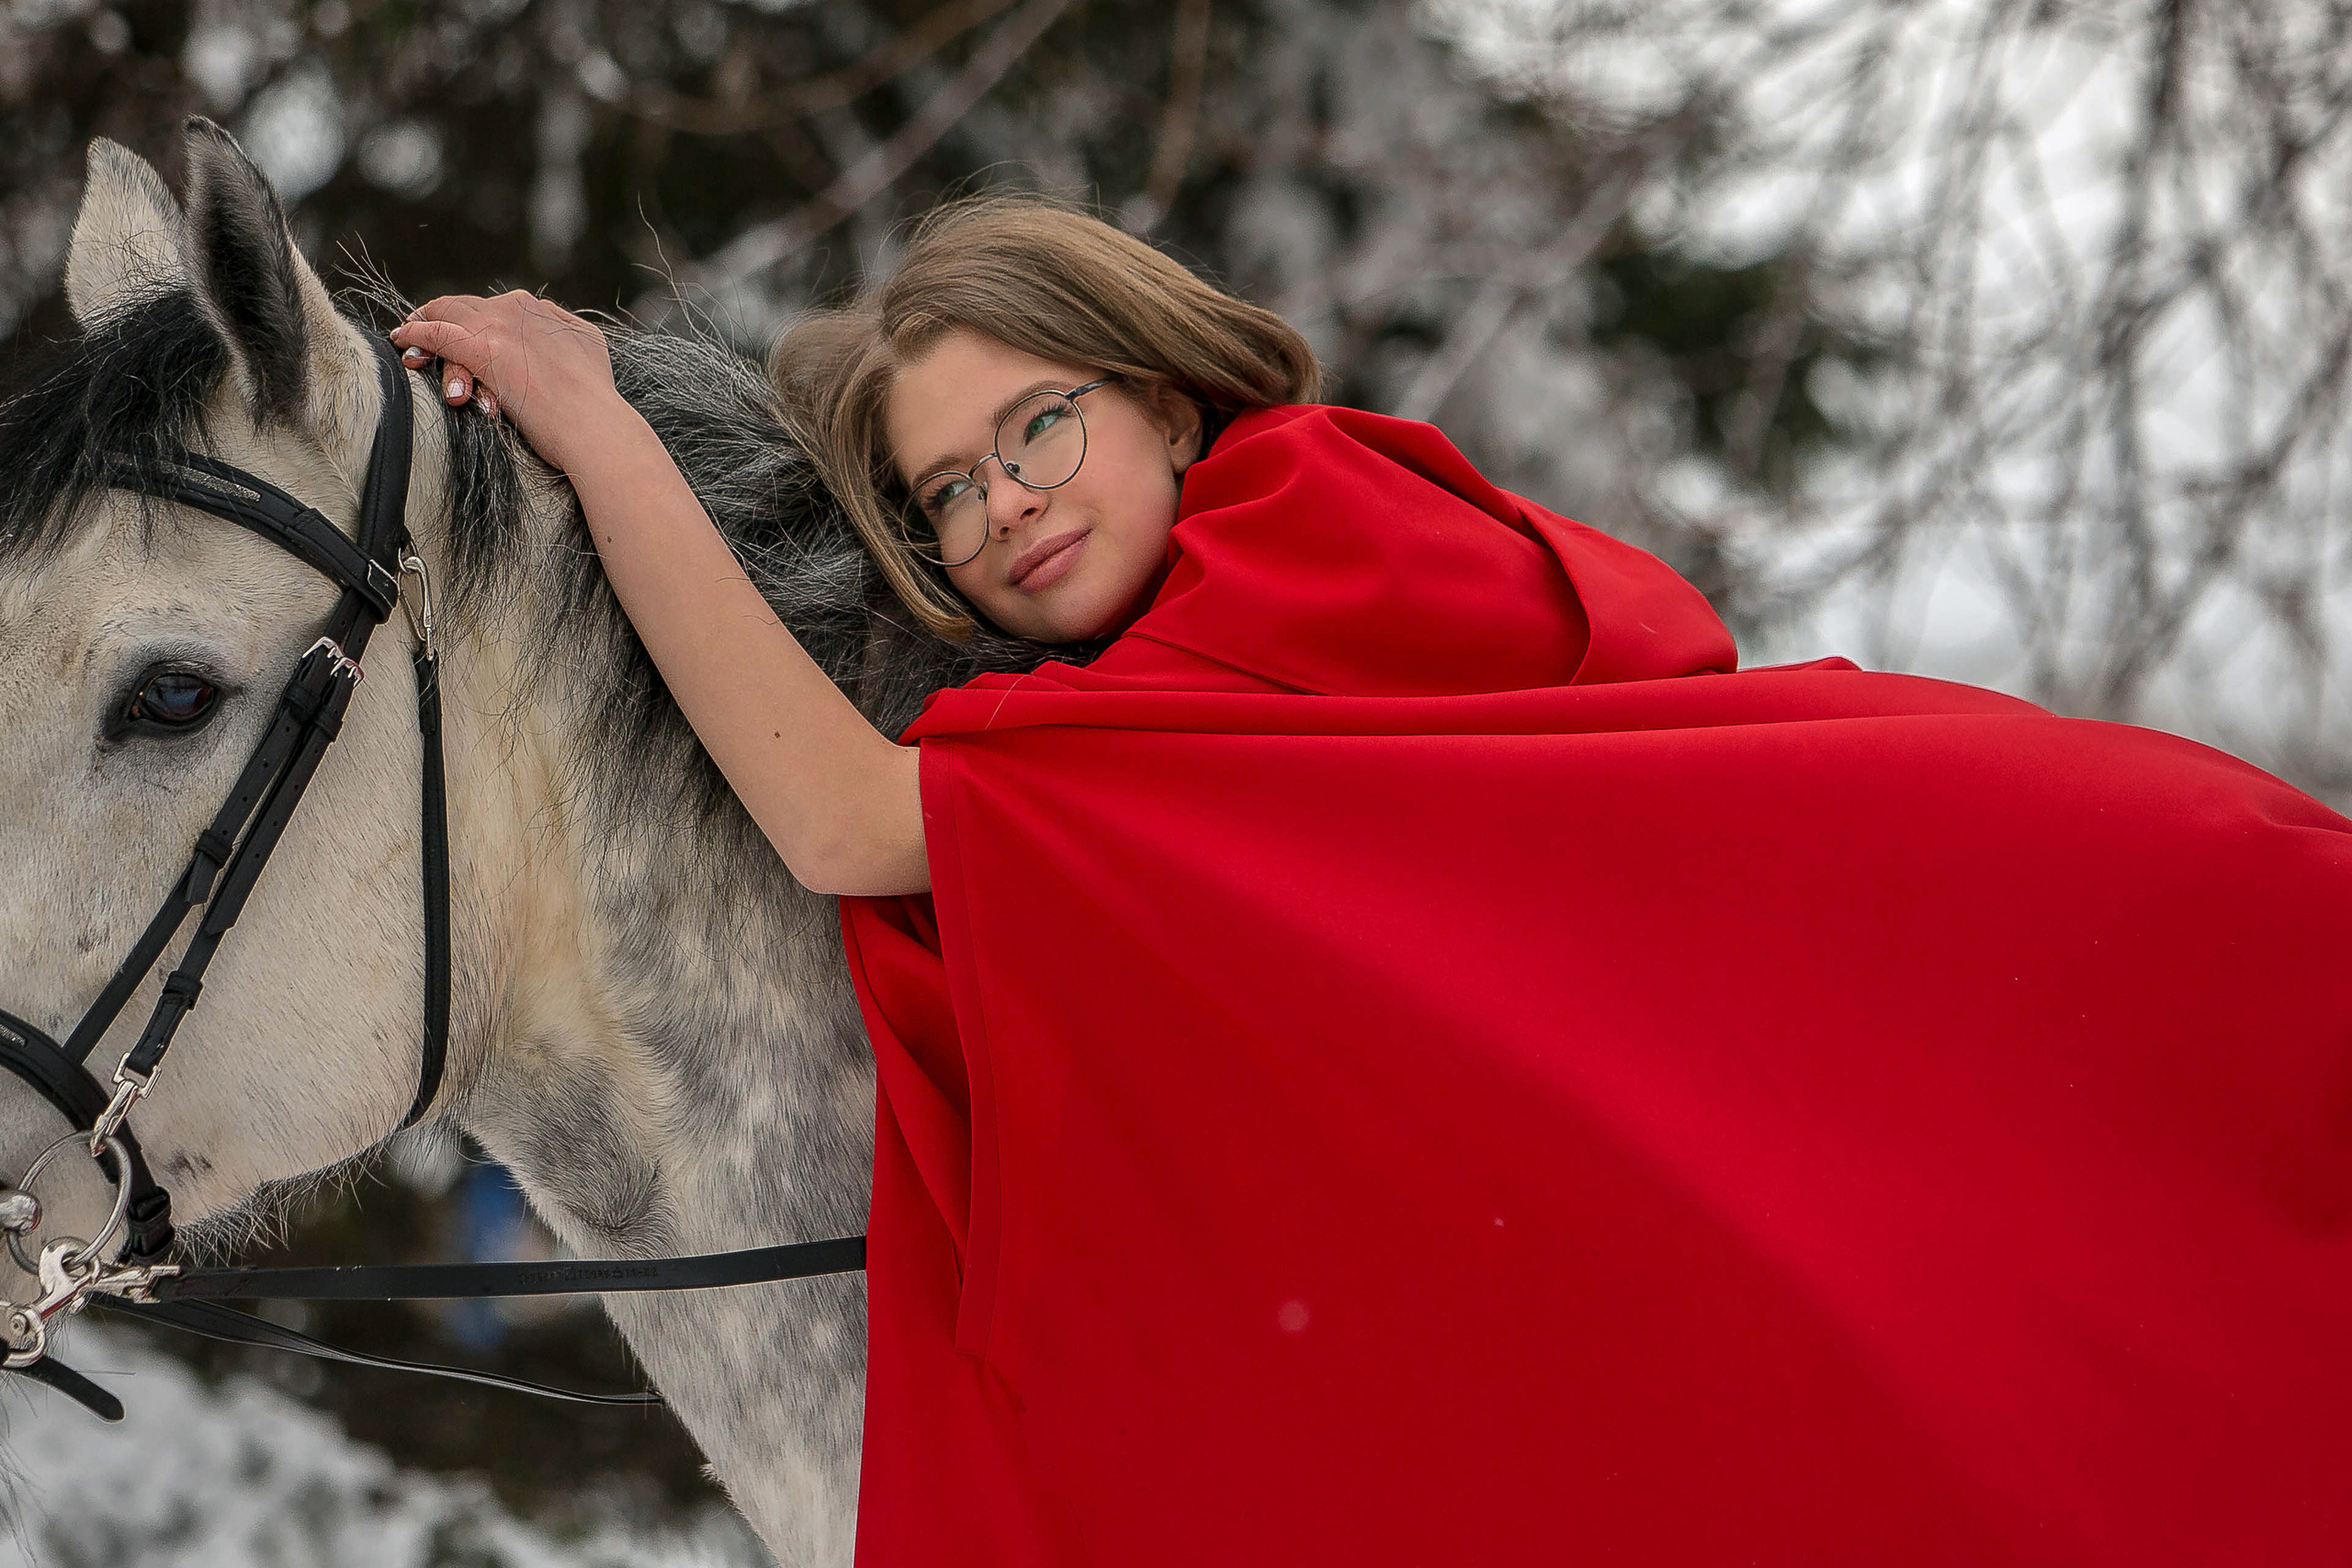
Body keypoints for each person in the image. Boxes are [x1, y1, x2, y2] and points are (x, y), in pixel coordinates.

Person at [392, 197, 2352, 1567]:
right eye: (946, 494)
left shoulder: (1260, 597)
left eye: (1040, 424)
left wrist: (598, 432)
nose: (1008, 505)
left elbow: (842, 823)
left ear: (1167, 396)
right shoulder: (1304, 562)